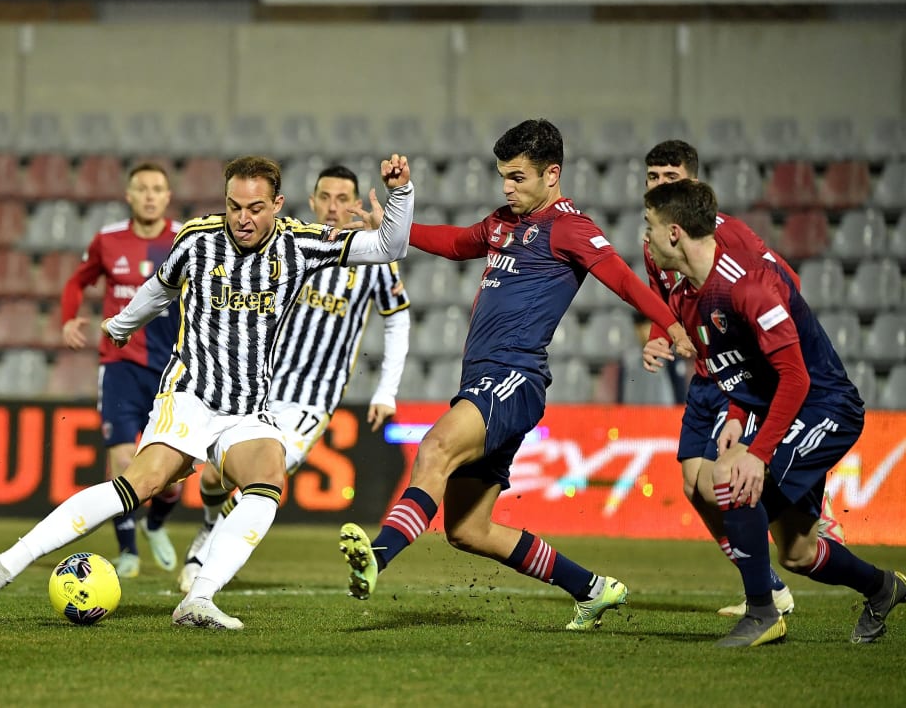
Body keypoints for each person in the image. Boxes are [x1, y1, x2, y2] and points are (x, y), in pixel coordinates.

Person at [0, 154, 415, 629]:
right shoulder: (197, 239)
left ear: (277, 204)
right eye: (234, 206)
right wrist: (123, 323)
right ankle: (5, 563)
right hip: (190, 395)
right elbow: (160, 288)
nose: (243, 218)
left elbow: (392, 246)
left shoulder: (301, 244)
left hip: (248, 409)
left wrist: (400, 194)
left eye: (255, 208)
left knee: (268, 478)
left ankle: (199, 597)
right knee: (140, 485)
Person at [338, 119, 695, 631]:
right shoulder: (505, 221)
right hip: (484, 379)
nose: (507, 187)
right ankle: (594, 589)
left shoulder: (571, 227)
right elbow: (458, 242)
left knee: (435, 447)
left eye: (518, 178)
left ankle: (378, 553)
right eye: (503, 176)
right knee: (468, 529)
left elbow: (622, 280)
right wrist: (394, 231)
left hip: (514, 376)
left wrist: (672, 323)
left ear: (552, 174)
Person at [642, 178, 904, 647]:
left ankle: (762, 614)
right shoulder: (687, 298)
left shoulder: (748, 288)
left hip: (827, 406)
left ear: (675, 233)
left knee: (732, 480)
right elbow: (749, 368)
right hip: (781, 408)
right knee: (799, 554)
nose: (645, 238)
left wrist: (758, 452)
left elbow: (796, 377)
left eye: (650, 227)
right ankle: (884, 588)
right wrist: (739, 417)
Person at [178, 165, 412, 593]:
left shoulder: (370, 259)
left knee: (261, 479)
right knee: (212, 478)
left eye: (344, 199)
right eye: (325, 197)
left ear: (356, 204)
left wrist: (387, 390)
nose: (333, 207)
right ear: (312, 199)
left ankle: (207, 564)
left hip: (311, 401)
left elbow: (397, 319)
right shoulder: (288, 244)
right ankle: (209, 528)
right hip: (260, 388)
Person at [638, 139, 846, 618]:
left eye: (671, 178)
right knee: (694, 485)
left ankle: (806, 510)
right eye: (652, 178)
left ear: (692, 181)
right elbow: (663, 299)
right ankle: (768, 585)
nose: (659, 185)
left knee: (723, 483)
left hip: (741, 374)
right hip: (706, 374)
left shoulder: (727, 236)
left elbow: (781, 283)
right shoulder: (656, 246)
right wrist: (662, 335)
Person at [61, 162, 183, 578]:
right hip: (120, 365)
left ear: (168, 196)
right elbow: (77, 282)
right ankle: (127, 550)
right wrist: (69, 317)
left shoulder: (184, 239)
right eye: (141, 188)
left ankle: (155, 524)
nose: (149, 195)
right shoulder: (107, 240)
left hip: (172, 368)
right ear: (128, 195)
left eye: (157, 188)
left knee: (174, 478)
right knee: (123, 461)